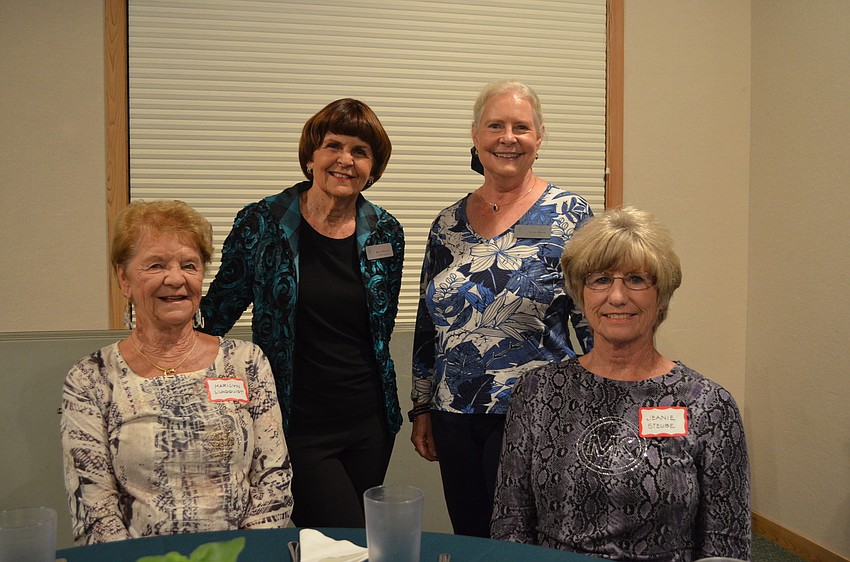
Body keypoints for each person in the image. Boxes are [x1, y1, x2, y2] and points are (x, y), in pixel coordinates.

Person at [491, 206, 751, 560]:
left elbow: (726, 545)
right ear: (581, 294)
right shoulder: (537, 391)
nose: (617, 296)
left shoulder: (708, 404)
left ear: (662, 296)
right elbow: (510, 525)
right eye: (600, 280)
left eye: (637, 280)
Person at [200, 98, 404, 528]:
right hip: (295, 423)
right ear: (311, 157)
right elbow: (216, 313)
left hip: (369, 423)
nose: (345, 160)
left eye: (360, 152)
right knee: (346, 539)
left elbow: (379, 328)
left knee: (347, 545)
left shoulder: (385, 231)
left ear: (373, 168)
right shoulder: (262, 223)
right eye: (334, 146)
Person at [410, 80, 593, 537]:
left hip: (539, 410)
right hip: (454, 413)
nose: (507, 138)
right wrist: (421, 406)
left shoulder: (570, 214)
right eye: (495, 126)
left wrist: (605, 400)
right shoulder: (447, 223)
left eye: (521, 127)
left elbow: (592, 318)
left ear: (540, 137)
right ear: (475, 135)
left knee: (527, 539)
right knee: (471, 536)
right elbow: (428, 324)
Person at [61, 200, 293, 545]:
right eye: (156, 265)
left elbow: (273, 482)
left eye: (189, 265)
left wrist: (241, 555)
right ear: (124, 278)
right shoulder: (91, 378)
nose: (176, 278)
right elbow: (94, 510)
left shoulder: (246, 361)